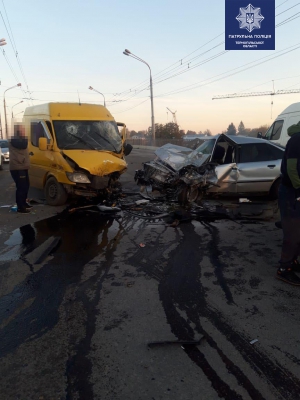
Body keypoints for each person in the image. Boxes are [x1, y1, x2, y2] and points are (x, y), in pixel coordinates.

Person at [277, 121, 300, 285]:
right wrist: (299, 188)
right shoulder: (297, 139)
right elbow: (292, 168)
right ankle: (284, 269)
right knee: (293, 233)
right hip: (292, 192)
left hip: (296, 191)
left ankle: (293, 262)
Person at [9, 124, 32, 214]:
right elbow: (23, 145)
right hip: (17, 167)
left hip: (23, 166)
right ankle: (20, 207)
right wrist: (25, 137)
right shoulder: (14, 139)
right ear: (18, 131)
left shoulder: (19, 139)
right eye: (22, 129)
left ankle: (24, 203)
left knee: (26, 185)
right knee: (21, 187)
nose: (24, 131)